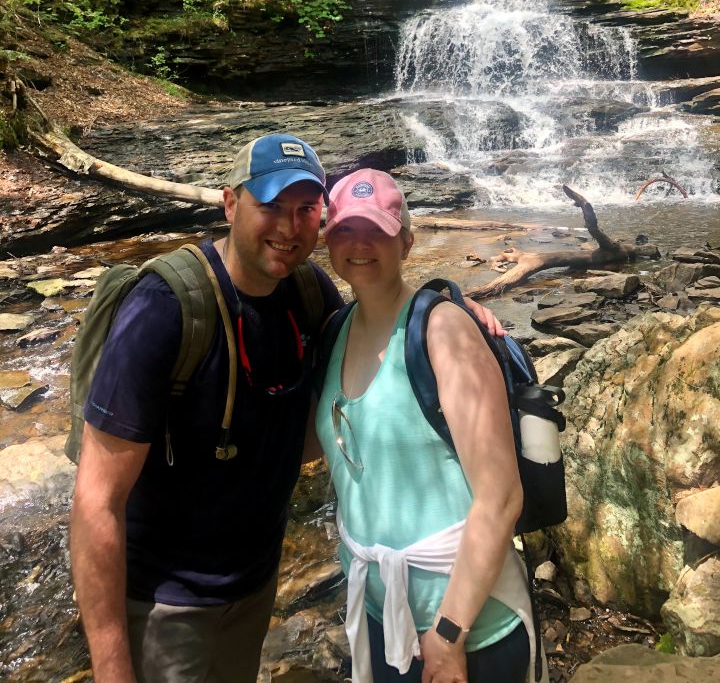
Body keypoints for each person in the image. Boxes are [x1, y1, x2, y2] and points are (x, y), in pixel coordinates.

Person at [70, 133, 506, 683]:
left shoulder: (309, 293)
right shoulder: (163, 310)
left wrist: (449, 311)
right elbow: (96, 501)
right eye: (271, 206)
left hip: (254, 589)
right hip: (164, 604)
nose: (289, 227)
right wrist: (111, 666)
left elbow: (376, 330)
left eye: (305, 209)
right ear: (231, 204)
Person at [316, 169, 541, 683]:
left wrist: (448, 634)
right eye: (346, 230)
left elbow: (502, 497)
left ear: (407, 242)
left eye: (377, 230)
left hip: (468, 632)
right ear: (328, 242)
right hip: (381, 617)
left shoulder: (444, 331)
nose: (360, 244)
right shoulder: (334, 330)